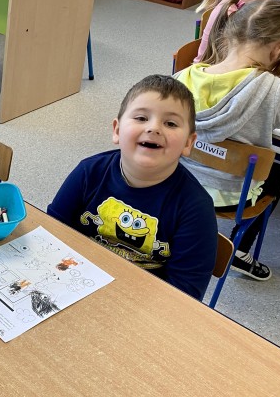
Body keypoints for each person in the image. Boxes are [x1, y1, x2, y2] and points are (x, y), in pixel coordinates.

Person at [47, 75, 217, 300]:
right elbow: (52, 234)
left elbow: (184, 295)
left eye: (171, 123)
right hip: (74, 282)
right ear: (117, 131)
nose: (154, 128)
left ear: (188, 143)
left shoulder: (196, 208)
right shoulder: (88, 173)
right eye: (141, 118)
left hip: (143, 303)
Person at [176, 0, 280, 281]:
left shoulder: (182, 78)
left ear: (227, 33)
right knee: (278, 174)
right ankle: (239, 251)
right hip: (232, 199)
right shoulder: (277, 91)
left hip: (179, 183)